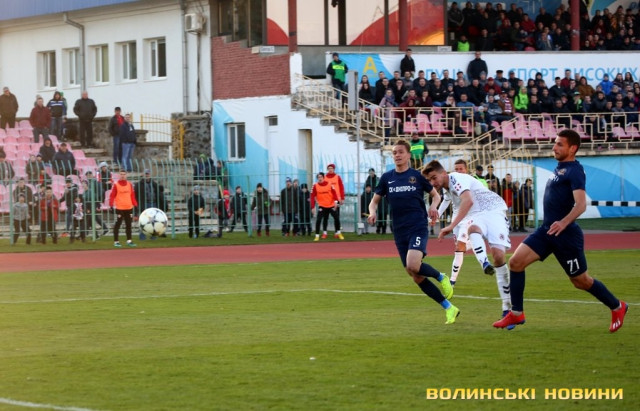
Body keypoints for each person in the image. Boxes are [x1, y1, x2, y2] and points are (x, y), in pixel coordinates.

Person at [494, 129, 628, 332]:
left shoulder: (575, 170)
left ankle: (617, 307)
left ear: (572, 148)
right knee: (516, 262)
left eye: (559, 144)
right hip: (547, 231)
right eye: (555, 143)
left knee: (580, 281)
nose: (554, 147)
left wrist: (564, 223)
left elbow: (581, 205)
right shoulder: (560, 168)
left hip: (566, 236)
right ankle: (517, 313)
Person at [367, 140, 459, 324]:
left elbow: (436, 195)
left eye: (400, 152)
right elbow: (374, 201)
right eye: (394, 152)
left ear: (408, 155)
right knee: (415, 275)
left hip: (417, 225)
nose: (397, 155)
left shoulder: (416, 176)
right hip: (399, 230)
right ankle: (449, 308)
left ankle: (441, 277)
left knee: (413, 264)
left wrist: (433, 207)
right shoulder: (386, 178)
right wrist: (372, 212)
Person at [423, 160, 513, 324]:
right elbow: (445, 200)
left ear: (444, 173)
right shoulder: (447, 188)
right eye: (429, 180)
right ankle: (484, 264)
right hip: (475, 215)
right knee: (472, 231)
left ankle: (507, 306)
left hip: (493, 210)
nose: (432, 183)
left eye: (434, 178)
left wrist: (451, 225)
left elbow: (468, 201)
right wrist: (435, 216)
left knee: (499, 256)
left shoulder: (456, 178)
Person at [109, 169, 138, 247]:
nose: (122, 176)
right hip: (120, 208)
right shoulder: (116, 185)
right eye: (121, 174)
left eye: (124, 174)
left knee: (129, 225)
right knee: (118, 225)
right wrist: (111, 205)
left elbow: (132, 196)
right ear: (119, 175)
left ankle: (129, 240)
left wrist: (135, 204)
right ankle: (116, 241)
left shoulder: (129, 184)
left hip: (129, 207)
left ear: (126, 175)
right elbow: (112, 196)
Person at [135, 169, 166, 240]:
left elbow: (158, 193)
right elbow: (136, 195)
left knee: (154, 221)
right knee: (144, 221)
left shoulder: (154, 183)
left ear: (150, 174)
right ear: (143, 174)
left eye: (148, 174)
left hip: (153, 203)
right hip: (145, 203)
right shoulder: (139, 184)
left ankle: (153, 236)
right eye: (146, 174)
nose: (147, 175)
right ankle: (142, 236)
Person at [310, 171, 340, 241]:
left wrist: (336, 202)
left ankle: (338, 232)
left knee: (336, 218)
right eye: (318, 177)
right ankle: (317, 235)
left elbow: (334, 193)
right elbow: (312, 196)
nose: (319, 178)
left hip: (331, 205)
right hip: (322, 205)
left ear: (324, 177)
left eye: (321, 177)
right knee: (319, 219)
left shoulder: (329, 184)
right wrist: (313, 206)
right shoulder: (315, 186)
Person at [324, 163, 345, 239]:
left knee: (336, 216)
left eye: (331, 168)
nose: (330, 170)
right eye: (329, 168)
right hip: (327, 200)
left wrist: (342, 198)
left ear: (334, 169)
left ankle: (337, 232)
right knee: (325, 216)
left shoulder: (337, 177)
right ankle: (325, 232)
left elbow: (341, 187)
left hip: (336, 200)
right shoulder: (325, 177)